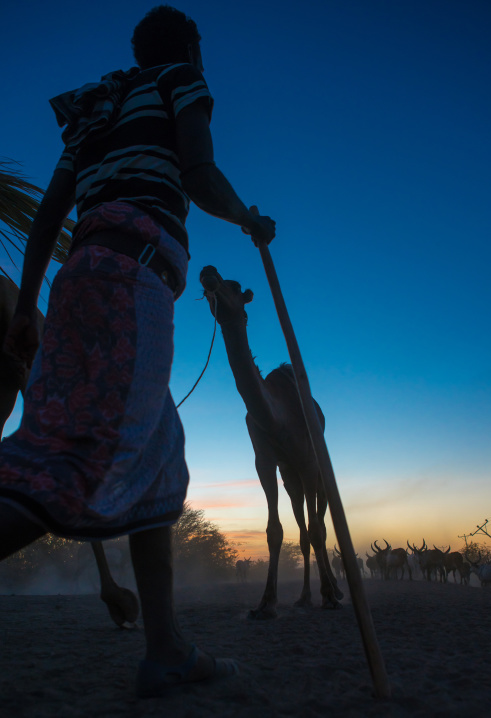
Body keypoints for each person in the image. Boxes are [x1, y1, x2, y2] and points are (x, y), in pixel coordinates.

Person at [0, 5, 275, 698]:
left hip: (81, 280)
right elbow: (201, 173)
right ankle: (166, 648)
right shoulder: (180, 78)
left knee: (157, 467)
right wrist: (248, 219)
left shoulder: (96, 109)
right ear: (189, 48)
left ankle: (166, 649)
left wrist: (28, 311)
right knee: (75, 467)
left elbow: (47, 222)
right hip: (133, 280)